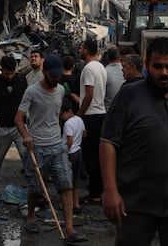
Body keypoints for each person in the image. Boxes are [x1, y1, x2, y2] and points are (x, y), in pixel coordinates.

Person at [101, 37, 168, 246]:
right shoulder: (128, 96)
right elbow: (108, 142)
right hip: (136, 202)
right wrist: (111, 191)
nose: (164, 72)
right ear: (147, 66)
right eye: (157, 66)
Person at [16, 54, 86, 243]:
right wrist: (26, 136)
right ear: (45, 72)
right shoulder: (31, 92)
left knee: (66, 185)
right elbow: (19, 118)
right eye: (53, 75)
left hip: (58, 146)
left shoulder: (61, 90)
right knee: (35, 188)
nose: (56, 79)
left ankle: (69, 228)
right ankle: (31, 215)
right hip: (37, 147)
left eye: (59, 75)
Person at [0, 55, 28, 202]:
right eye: (7, 73)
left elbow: (27, 101)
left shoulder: (21, 80)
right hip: (2, 127)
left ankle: (34, 189)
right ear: (1, 70)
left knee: (27, 157)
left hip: (20, 126)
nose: (9, 76)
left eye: (12, 73)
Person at [77, 38, 107, 205]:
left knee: (91, 156)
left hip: (91, 116)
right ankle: (97, 191)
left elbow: (88, 94)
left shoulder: (88, 68)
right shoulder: (101, 67)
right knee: (97, 155)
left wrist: (79, 115)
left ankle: (94, 194)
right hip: (100, 114)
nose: (79, 50)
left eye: (81, 47)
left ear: (87, 50)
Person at [61, 98, 85, 214]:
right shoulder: (79, 120)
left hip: (70, 154)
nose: (61, 117)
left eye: (62, 114)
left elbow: (69, 140)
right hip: (78, 151)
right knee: (75, 180)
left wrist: (64, 151)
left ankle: (68, 204)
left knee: (67, 181)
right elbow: (84, 133)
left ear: (69, 111)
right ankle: (76, 203)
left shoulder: (68, 124)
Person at [103, 46, 125, 110]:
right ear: (120, 57)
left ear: (108, 57)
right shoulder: (125, 70)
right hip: (123, 110)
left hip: (108, 109)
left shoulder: (104, 71)